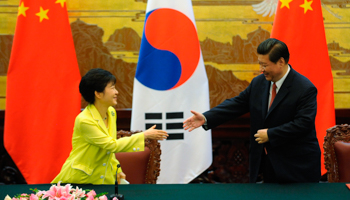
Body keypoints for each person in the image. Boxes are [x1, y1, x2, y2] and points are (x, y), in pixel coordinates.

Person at [183, 38, 321, 183]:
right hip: (266, 165)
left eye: (265, 65)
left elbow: (303, 123)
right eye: (260, 64)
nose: (261, 70)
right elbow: (237, 104)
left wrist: (271, 134)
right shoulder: (259, 82)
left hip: (296, 166)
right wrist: (206, 118)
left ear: (281, 62)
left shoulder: (305, 88)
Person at [52, 68, 168, 184]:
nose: (116, 92)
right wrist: (143, 135)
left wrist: (117, 169)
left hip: (104, 179)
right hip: (81, 180)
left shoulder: (111, 112)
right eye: (112, 88)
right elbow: (111, 145)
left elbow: (109, 151)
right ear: (98, 94)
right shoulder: (84, 120)